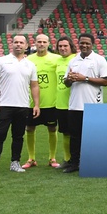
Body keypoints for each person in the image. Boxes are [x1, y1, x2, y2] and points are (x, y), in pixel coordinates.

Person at [0, 34, 40, 176]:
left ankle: (15, 162)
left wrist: (36, 104)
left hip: (23, 106)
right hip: (4, 105)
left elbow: (34, 86)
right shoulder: (1, 61)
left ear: (26, 46)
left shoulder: (30, 65)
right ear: (12, 44)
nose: (18, 45)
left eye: (21, 42)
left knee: (18, 136)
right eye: (16, 42)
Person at [62, 33, 107, 173]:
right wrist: (70, 79)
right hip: (75, 105)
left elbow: (105, 81)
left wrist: (85, 78)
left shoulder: (99, 60)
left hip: (93, 105)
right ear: (78, 43)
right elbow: (66, 83)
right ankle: (74, 163)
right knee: (74, 136)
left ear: (92, 44)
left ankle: (93, 163)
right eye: (82, 43)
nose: (84, 45)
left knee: (92, 136)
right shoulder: (73, 60)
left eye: (87, 43)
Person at [23, 33, 61, 168]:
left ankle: (52, 158)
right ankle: (31, 159)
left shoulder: (57, 58)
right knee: (29, 128)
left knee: (52, 128)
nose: (41, 44)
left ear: (49, 43)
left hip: (51, 101)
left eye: (44, 42)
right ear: (35, 43)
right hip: (32, 102)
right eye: (39, 42)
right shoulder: (28, 59)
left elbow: (72, 59)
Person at [51, 36, 75, 168]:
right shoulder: (57, 60)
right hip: (60, 103)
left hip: (74, 103)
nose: (62, 48)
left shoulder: (77, 59)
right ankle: (67, 159)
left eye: (65, 46)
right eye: (60, 46)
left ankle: (78, 158)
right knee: (65, 132)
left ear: (71, 46)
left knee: (76, 133)